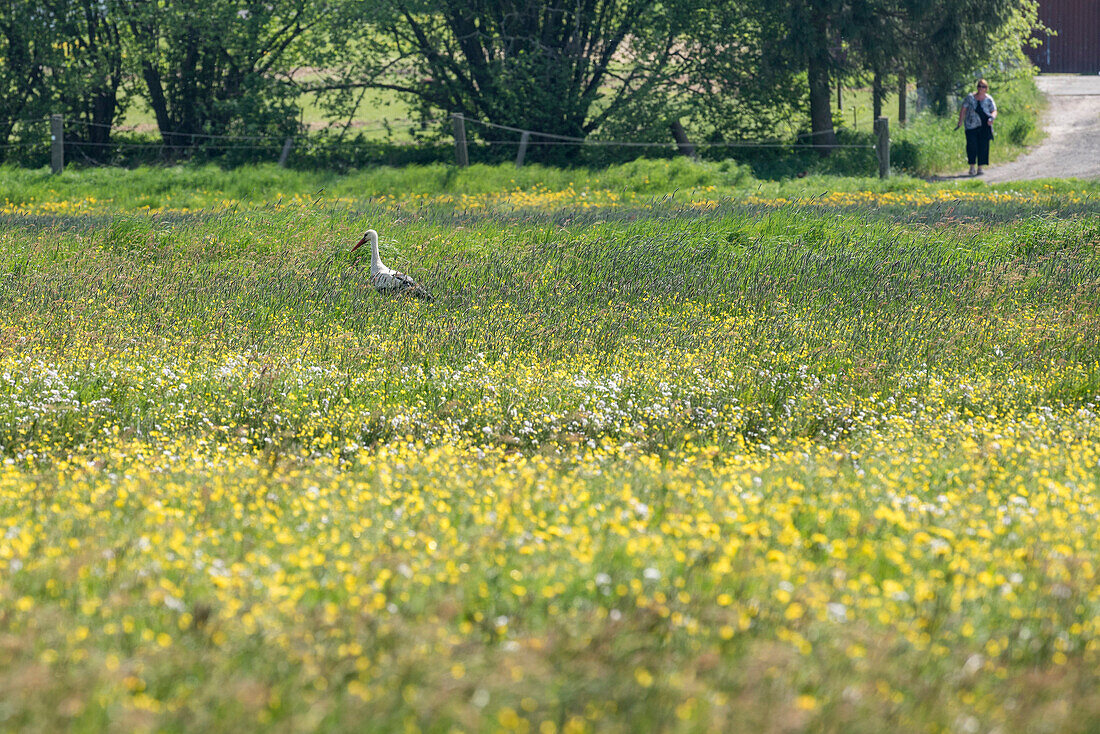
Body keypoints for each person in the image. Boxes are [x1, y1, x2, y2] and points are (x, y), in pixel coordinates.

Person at [955, 79, 997, 176]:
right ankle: (972, 167)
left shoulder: (989, 99)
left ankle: (980, 167)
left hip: (985, 126)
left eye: (983, 86)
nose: (980, 88)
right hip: (971, 125)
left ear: (986, 88)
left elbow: (994, 110)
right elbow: (963, 109)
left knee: (983, 146)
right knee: (971, 145)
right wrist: (960, 121)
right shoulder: (970, 98)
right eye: (979, 86)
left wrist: (992, 118)